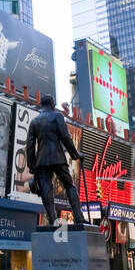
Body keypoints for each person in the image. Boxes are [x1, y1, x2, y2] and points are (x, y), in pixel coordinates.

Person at [25, 96, 86, 227]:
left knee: (46, 190)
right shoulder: (57, 116)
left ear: (42, 104)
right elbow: (65, 137)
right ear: (52, 104)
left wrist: (32, 165)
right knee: (69, 185)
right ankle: (78, 217)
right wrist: (75, 154)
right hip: (57, 157)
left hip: (42, 161)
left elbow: (29, 145)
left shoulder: (35, 121)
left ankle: (52, 220)